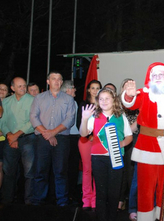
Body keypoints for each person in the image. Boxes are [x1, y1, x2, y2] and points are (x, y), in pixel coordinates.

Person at [121, 62, 164, 221]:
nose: (158, 78)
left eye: (161, 75)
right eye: (155, 75)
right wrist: (128, 94)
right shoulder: (144, 93)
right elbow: (130, 103)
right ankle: (145, 217)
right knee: (146, 188)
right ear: (150, 78)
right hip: (148, 147)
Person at [80, 87, 133, 221]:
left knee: (114, 192)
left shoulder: (121, 117)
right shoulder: (94, 116)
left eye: (107, 98)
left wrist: (121, 144)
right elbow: (83, 134)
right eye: (101, 99)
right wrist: (84, 119)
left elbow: (129, 136)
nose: (104, 101)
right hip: (98, 158)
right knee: (101, 192)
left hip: (116, 158)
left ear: (113, 100)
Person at [30, 71, 75, 206]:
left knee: (60, 171)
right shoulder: (39, 98)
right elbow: (33, 117)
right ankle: (38, 201)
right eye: (53, 79)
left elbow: (70, 119)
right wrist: (47, 134)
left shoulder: (69, 99)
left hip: (61, 139)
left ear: (62, 82)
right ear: (48, 81)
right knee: (40, 170)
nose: (57, 81)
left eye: (59, 79)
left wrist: (53, 132)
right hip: (42, 139)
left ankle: (62, 202)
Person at [0, 77, 35, 205]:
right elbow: (2, 122)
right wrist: (9, 135)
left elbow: (33, 121)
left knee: (29, 172)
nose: (23, 88)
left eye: (24, 86)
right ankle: (7, 201)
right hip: (10, 140)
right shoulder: (6, 102)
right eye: (20, 86)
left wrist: (17, 135)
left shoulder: (32, 100)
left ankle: (29, 201)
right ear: (12, 88)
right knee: (9, 171)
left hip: (28, 139)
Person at [77, 79, 102, 210]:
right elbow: (78, 124)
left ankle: (96, 198)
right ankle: (86, 198)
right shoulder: (83, 104)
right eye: (92, 88)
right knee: (87, 170)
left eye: (97, 88)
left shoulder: (103, 105)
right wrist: (89, 135)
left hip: (100, 142)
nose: (95, 90)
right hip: (85, 141)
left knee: (97, 170)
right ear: (88, 90)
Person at [118, 78, 139, 220]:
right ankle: (120, 199)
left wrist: (128, 134)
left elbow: (139, 120)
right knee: (121, 170)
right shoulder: (117, 103)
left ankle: (132, 206)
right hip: (120, 139)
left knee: (132, 172)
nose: (129, 87)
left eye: (131, 85)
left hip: (134, 138)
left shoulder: (138, 102)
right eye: (126, 85)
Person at [61, 80, 80, 203]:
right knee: (70, 167)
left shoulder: (72, 102)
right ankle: (68, 194)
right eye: (73, 88)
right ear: (67, 90)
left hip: (72, 136)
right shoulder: (68, 101)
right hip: (69, 137)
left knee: (69, 167)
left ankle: (68, 193)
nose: (75, 90)